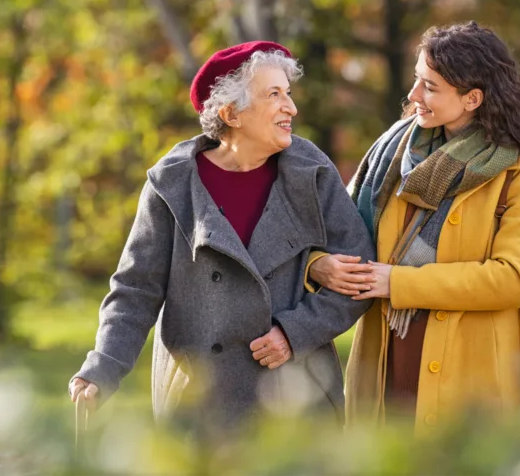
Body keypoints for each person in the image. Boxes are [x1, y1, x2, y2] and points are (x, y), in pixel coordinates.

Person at [69, 41, 375, 437]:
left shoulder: (311, 171)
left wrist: (295, 332)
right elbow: (134, 290)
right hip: (200, 402)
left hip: (297, 398)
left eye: (288, 93)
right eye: (274, 95)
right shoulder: (172, 184)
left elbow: (360, 272)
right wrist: (102, 368)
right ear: (231, 113)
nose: (291, 108)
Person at [306, 22, 520, 433]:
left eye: (430, 86)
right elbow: (332, 232)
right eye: (416, 80)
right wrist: (319, 264)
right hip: (386, 360)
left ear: (472, 98)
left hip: (473, 374)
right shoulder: (391, 155)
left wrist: (400, 283)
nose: (413, 96)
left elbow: (514, 278)